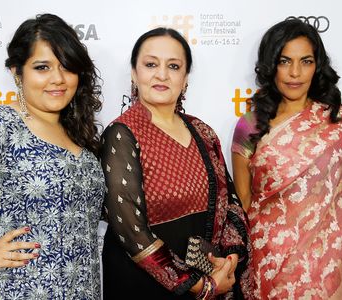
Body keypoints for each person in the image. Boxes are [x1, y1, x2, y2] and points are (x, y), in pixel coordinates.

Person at [232, 18, 342, 299]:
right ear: (270, 65)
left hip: (325, 268)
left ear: (318, 66)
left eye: (305, 61)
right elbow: (243, 203)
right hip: (267, 264)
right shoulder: (250, 124)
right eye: (284, 61)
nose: (295, 73)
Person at [0, 14, 105, 299]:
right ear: (16, 71)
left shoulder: (75, 132)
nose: (58, 79)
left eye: (67, 67)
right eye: (42, 67)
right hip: (7, 290)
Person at [99, 27, 253, 299]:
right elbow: (131, 231)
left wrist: (228, 260)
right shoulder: (121, 135)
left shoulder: (202, 131)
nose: (162, 74)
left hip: (212, 273)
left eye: (173, 66)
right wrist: (198, 285)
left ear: (185, 77)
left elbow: (231, 203)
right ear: (134, 73)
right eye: (150, 64)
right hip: (144, 284)